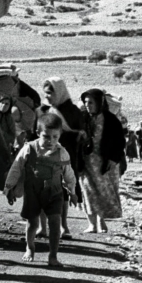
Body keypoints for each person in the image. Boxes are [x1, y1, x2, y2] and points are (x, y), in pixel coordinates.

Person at [3, 113, 77, 267]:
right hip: (33, 193)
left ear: (60, 135)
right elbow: (16, 168)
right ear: (38, 133)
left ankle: (53, 256)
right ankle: (30, 248)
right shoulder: (29, 148)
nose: (51, 141)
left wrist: (72, 192)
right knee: (32, 223)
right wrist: (9, 188)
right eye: (46, 137)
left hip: (55, 193)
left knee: (55, 222)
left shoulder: (62, 152)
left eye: (55, 137)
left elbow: (69, 173)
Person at [39, 77, 84, 240]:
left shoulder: (72, 111)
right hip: (45, 155)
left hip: (66, 156)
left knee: (63, 192)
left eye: (51, 93)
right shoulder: (44, 109)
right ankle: (42, 228)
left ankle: (64, 226)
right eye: (46, 93)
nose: (48, 96)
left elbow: (83, 135)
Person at [79, 89, 124, 233]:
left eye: (91, 102)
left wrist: (113, 159)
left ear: (99, 102)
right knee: (88, 192)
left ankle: (101, 221)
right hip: (86, 163)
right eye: (85, 102)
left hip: (105, 164)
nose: (87, 105)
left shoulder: (110, 120)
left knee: (103, 192)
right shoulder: (83, 118)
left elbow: (120, 141)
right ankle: (92, 224)